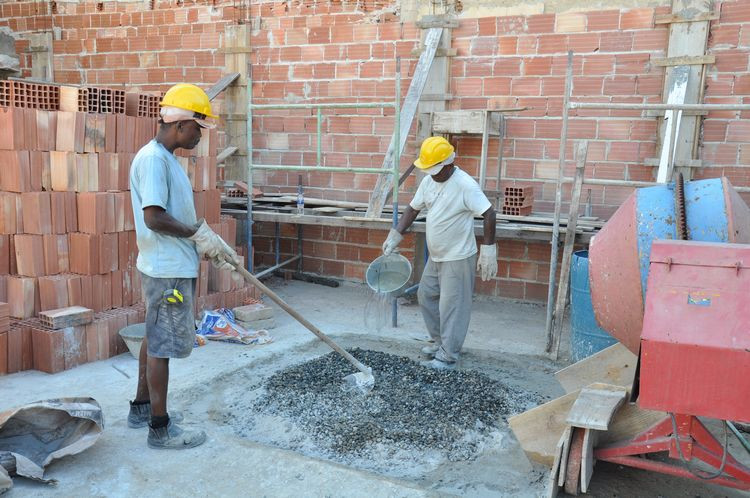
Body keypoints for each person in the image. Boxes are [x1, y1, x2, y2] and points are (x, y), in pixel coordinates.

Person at [127, 83, 241, 449]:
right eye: (198, 129)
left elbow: (168, 216)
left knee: (153, 335)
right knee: (162, 346)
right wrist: (196, 235)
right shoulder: (154, 160)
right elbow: (154, 218)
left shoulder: (165, 158)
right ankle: (159, 428)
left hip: (169, 264)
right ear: (181, 123)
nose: (199, 137)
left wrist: (204, 241)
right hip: (166, 270)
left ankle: (141, 407)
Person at [382, 136, 497, 370]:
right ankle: (440, 341)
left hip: (458, 256)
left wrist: (488, 248)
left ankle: (449, 354)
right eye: (429, 170)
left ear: (448, 164)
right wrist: (396, 234)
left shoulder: (465, 185)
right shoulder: (429, 182)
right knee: (426, 296)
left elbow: (489, 213)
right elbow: (413, 209)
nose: (432, 174)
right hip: (436, 256)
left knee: (452, 306)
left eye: (435, 169)